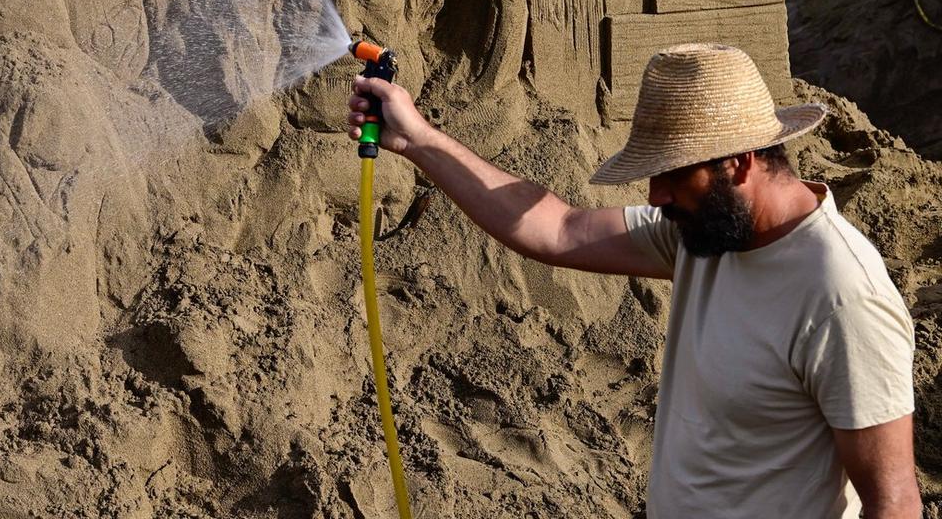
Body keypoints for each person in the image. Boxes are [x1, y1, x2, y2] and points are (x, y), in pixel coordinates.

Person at [347, 42, 920, 518]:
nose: (655, 195)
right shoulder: (706, 234)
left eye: (672, 174)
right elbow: (559, 229)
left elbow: (894, 504)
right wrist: (417, 139)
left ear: (740, 162)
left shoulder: (841, 297)